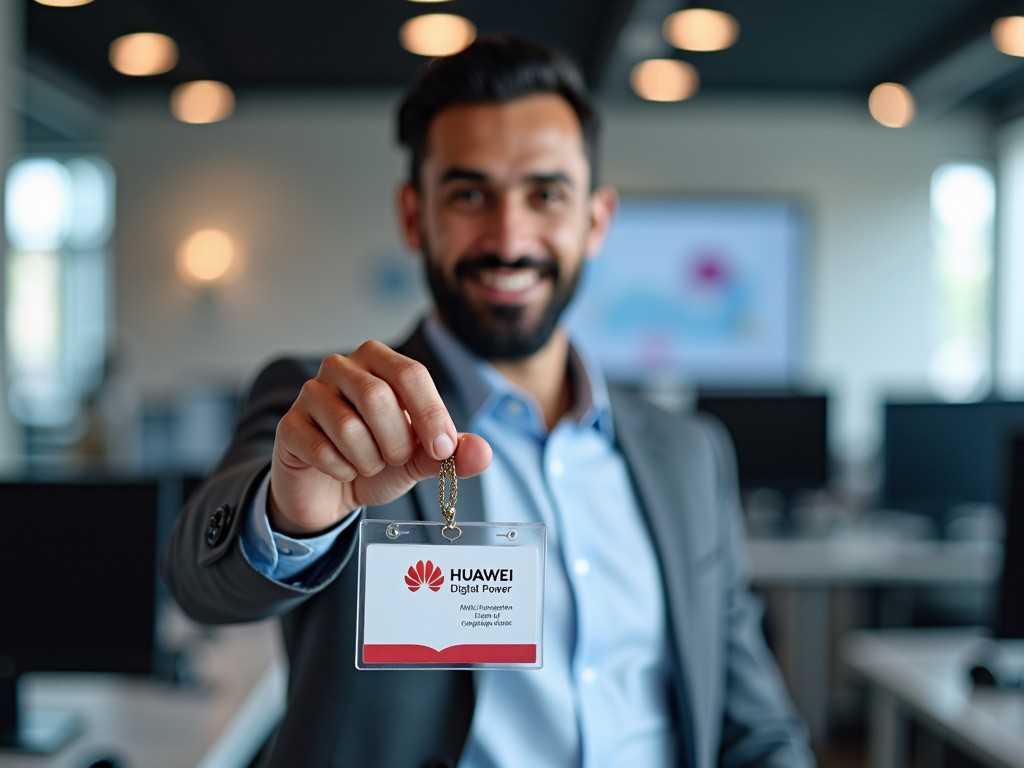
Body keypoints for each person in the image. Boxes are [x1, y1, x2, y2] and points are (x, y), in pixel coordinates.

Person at [162, 34, 815, 768]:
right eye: (470, 194)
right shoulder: (336, 418)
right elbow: (200, 586)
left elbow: (755, 725)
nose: (509, 237)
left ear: (595, 220)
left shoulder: (690, 454)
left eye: (546, 194)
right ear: (414, 216)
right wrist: (288, 519)